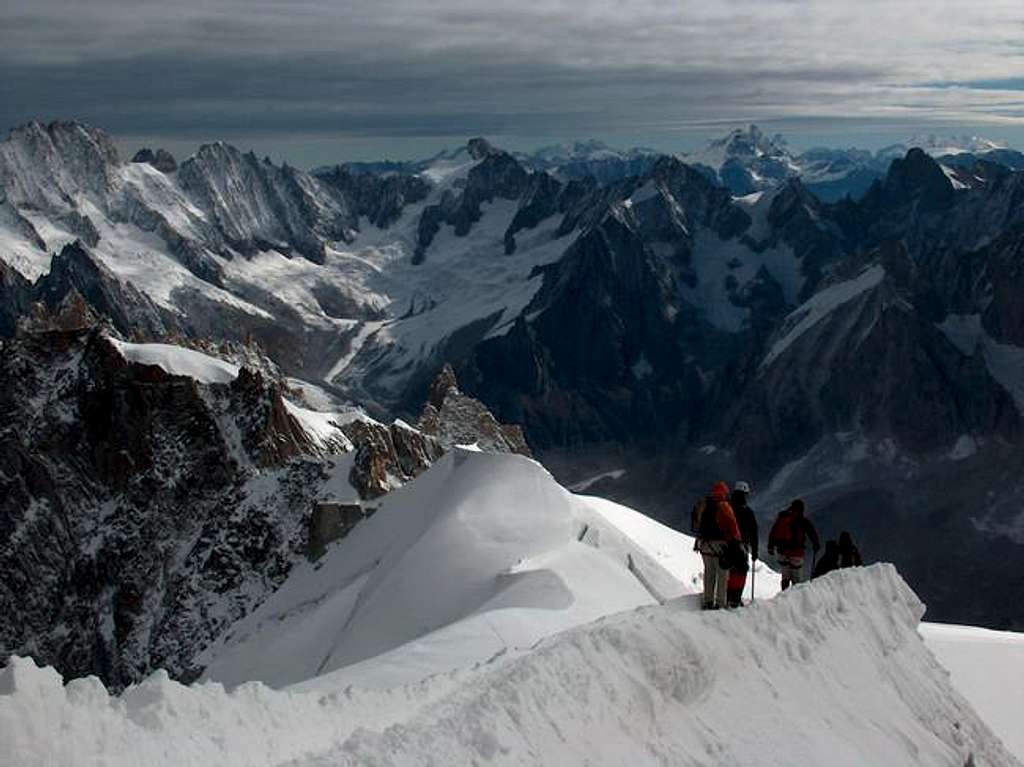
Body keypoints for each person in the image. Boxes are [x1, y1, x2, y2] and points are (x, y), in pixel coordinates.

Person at [692, 481, 741, 610]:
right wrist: (736, 543)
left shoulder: (704, 505)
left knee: (709, 573)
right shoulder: (724, 506)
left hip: (704, 545)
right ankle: (720, 603)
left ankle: (708, 601)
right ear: (725, 493)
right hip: (720, 546)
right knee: (723, 575)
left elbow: (695, 524)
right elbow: (733, 526)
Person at [767, 499, 820, 590]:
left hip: (782, 552)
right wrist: (816, 545)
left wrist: (770, 546)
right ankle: (795, 600)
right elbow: (812, 533)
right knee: (797, 581)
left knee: (785, 577)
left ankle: (785, 596)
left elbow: (773, 532)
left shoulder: (783, 518)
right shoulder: (802, 521)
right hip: (797, 553)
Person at [726, 481, 758, 607]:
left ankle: (726, 595)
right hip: (742, 546)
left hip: (726, 545)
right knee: (741, 572)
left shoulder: (727, 507)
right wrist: (755, 551)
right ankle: (735, 598)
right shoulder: (748, 512)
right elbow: (754, 532)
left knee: (728, 571)